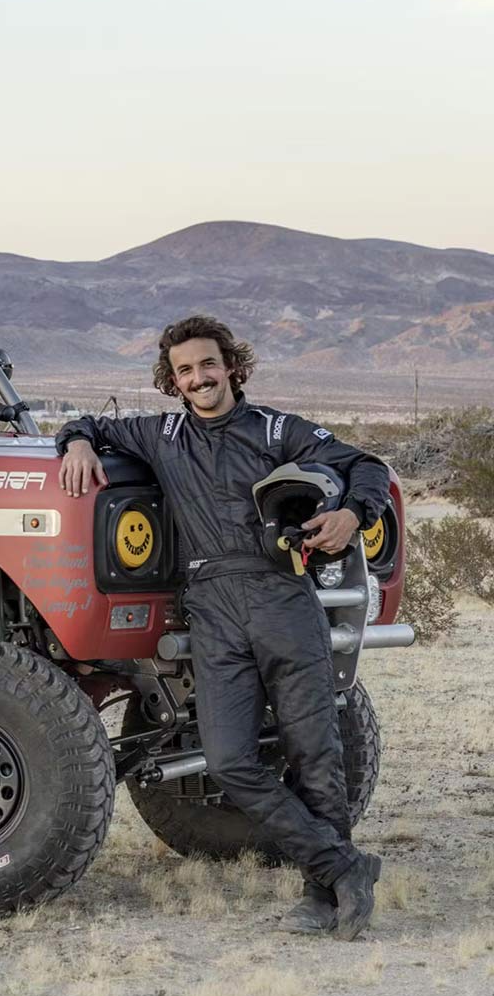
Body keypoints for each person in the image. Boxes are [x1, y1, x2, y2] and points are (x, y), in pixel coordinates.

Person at [56, 314, 388, 941]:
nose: (199, 378)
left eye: (209, 364)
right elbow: (88, 424)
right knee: (232, 759)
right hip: (211, 607)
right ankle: (345, 866)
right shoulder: (160, 434)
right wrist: (76, 443)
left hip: (282, 595)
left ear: (232, 365)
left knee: (314, 753)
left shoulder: (276, 428)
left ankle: (324, 896)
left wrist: (350, 512)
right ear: (172, 381)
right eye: (185, 371)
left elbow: (365, 464)